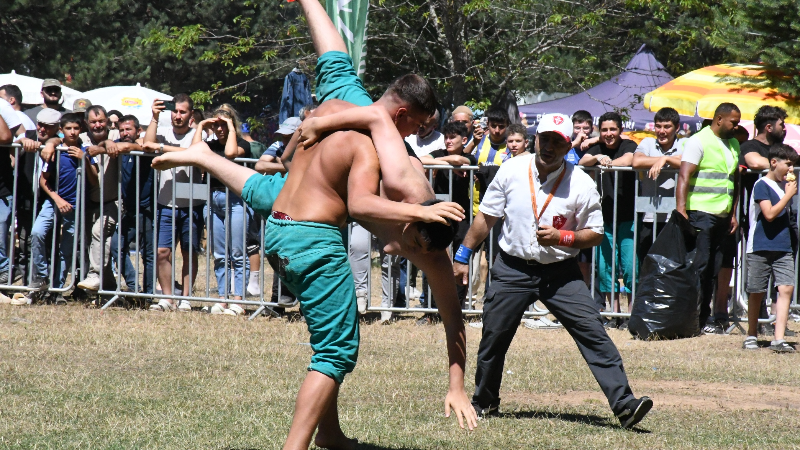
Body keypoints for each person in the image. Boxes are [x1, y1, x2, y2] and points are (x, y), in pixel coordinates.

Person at [452, 113, 652, 428]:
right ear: (536, 139)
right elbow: (486, 218)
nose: (549, 146)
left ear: (566, 145)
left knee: (593, 332)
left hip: (561, 273)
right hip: (512, 268)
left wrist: (564, 237)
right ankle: (485, 401)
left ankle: (625, 406)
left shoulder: (581, 183)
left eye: (558, 141)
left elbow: (596, 233)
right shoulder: (512, 170)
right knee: (494, 336)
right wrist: (463, 255)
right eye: (545, 138)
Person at [676, 103, 741, 332]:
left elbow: (733, 181)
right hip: (701, 214)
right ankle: (691, 318)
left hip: (722, 216)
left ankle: (704, 320)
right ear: (719, 119)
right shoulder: (698, 140)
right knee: (699, 267)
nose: (736, 125)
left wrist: (733, 213)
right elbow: (684, 175)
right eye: (733, 121)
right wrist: (681, 209)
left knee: (714, 269)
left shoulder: (733, 144)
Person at [27, 114, 98, 299]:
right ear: (61, 130)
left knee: (67, 249)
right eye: (68, 128)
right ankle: (42, 276)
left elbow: (94, 180)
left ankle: (56, 291)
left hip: (75, 206)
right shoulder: (56, 151)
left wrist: (85, 160)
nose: (72, 132)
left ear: (80, 129)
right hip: (53, 202)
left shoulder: (86, 151)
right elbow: (44, 181)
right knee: (37, 233)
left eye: (76, 128)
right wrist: (57, 199)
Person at [143, 93, 203, 312]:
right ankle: (167, 298)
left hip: (193, 203)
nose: (178, 116)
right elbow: (146, 143)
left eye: (183, 112)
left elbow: (194, 153)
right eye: (175, 111)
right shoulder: (163, 132)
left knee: (189, 252)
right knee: (162, 252)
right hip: (165, 202)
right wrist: (154, 117)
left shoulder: (198, 134)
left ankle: (185, 298)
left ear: (191, 114)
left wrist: (161, 149)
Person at [579, 112, 638, 326]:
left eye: (613, 129)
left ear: (620, 130)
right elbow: (583, 160)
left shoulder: (628, 144)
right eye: (604, 130)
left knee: (630, 267)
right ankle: (614, 314)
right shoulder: (597, 148)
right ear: (599, 131)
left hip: (628, 217)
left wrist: (609, 163)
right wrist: (597, 158)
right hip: (602, 219)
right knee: (606, 267)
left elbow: (629, 159)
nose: (609, 134)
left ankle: (631, 315)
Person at [192, 107, 252, 315]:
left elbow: (230, 154)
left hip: (235, 200)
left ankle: (239, 300)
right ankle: (223, 298)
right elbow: (194, 152)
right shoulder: (209, 145)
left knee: (237, 252)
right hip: (213, 199)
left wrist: (231, 129)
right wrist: (200, 125)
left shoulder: (242, 144)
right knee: (219, 254)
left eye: (223, 125)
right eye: (216, 124)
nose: (219, 129)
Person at [743, 144, 797, 353]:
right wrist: (787, 196)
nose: (791, 170)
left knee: (786, 288)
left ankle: (779, 338)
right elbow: (769, 214)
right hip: (760, 246)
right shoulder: (762, 185)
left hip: (783, 247)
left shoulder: (784, 187)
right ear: (774, 162)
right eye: (788, 165)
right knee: (756, 290)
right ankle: (751, 334)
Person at [108, 115, 156, 297]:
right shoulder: (119, 146)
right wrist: (107, 142)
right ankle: (134, 287)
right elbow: (107, 144)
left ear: (138, 131)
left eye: (128, 129)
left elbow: (128, 146)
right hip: (130, 209)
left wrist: (111, 144)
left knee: (149, 254)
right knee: (115, 246)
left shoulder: (143, 147)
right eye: (121, 130)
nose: (125, 133)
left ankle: (149, 295)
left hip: (148, 209)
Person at [76, 106, 123, 292]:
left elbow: (133, 144)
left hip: (113, 201)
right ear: (87, 123)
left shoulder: (116, 136)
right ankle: (110, 286)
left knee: (99, 233)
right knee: (92, 244)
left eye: (101, 121)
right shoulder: (81, 138)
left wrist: (107, 144)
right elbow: (58, 138)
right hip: (89, 202)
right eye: (94, 122)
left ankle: (94, 275)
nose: (98, 125)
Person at [14, 110, 62, 285]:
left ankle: (50, 286)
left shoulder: (59, 141)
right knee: (25, 243)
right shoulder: (29, 136)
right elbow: (15, 144)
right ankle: (28, 284)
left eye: (47, 127)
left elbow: (62, 139)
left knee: (49, 243)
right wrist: (22, 140)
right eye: (39, 124)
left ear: (56, 127)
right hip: (26, 200)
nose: (41, 129)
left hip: (48, 201)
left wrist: (52, 143)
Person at [631, 107, 684, 259]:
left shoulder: (684, 143)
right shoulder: (647, 142)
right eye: (658, 126)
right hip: (650, 216)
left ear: (677, 128)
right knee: (647, 262)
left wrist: (665, 159)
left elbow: (687, 162)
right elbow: (637, 161)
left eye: (667, 126)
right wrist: (664, 160)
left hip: (675, 217)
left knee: (672, 264)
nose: (662, 131)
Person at [0, 99, 22, 285]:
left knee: (0, 235)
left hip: (1, 190)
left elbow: (6, 137)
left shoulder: (3, 108)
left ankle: (5, 271)